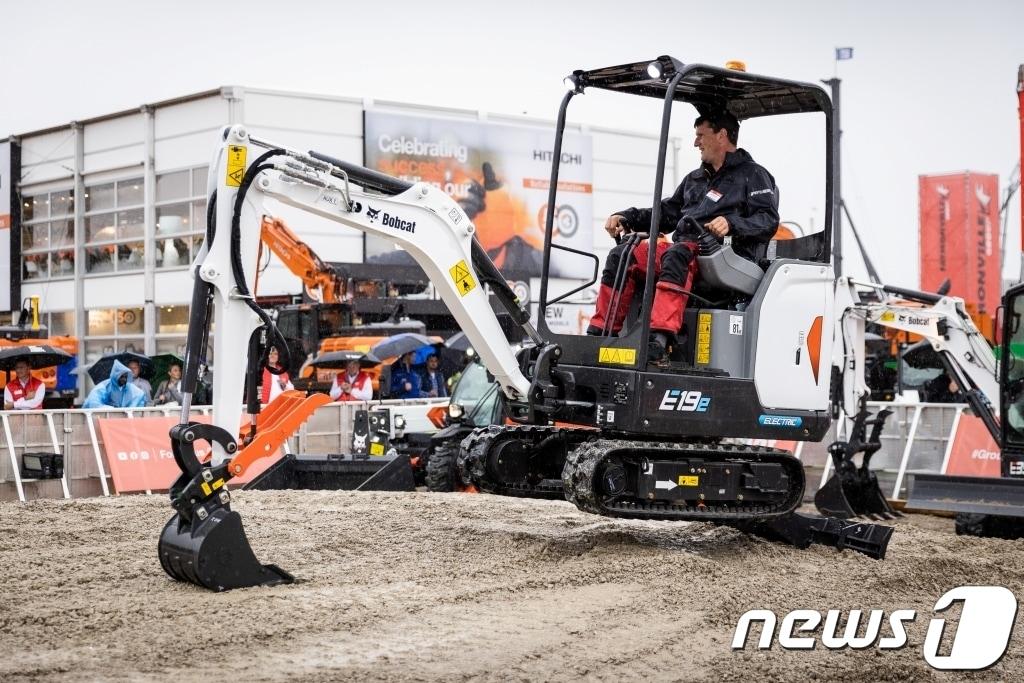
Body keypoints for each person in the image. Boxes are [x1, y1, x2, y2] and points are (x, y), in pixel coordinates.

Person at [586, 111, 779, 361]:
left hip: (726, 254)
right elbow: (666, 213)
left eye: (701, 136)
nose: (696, 143)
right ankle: (600, 333)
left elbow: (767, 220)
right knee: (624, 253)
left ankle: (659, 338)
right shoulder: (695, 179)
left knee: (678, 253)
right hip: (687, 250)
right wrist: (627, 217)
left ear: (722, 135)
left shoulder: (753, 175)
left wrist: (731, 223)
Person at [82, 359, 147, 409]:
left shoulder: (127, 387)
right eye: (121, 377)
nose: (124, 379)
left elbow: (139, 395)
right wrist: (111, 409)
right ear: (116, 376)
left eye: (125, 377)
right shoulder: (103, 387)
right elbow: (94, 403)